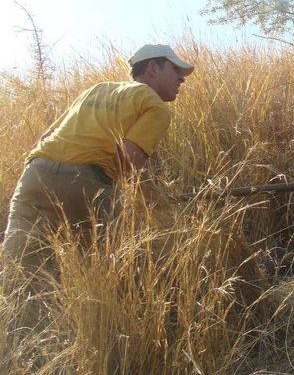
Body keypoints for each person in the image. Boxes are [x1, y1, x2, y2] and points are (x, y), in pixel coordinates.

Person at [1, 44, 194, 310]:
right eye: (176, 69)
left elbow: (47, 136)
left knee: (19, 269)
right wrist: (157, 202)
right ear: (152, 68)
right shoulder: (155, 105)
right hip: (86, 183)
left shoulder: (97, 88)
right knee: (111, 271)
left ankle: (16, 331)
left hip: (35, 173)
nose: (182, 78)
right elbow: (128, 157)